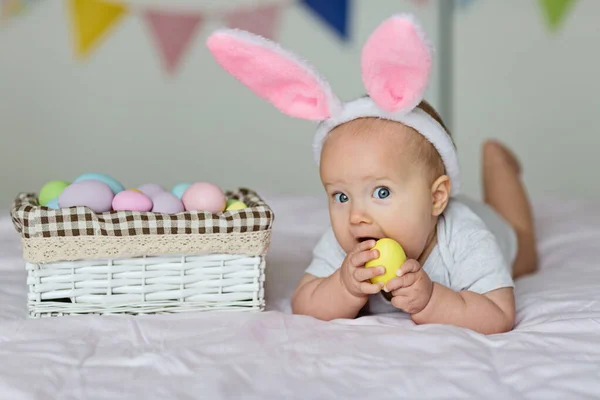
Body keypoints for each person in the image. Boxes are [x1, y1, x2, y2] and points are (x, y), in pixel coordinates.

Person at [206, 13, 538, 335]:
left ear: (436, 197)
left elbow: (498, 314)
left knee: (522, 246)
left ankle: (497, 162)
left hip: (500, 233)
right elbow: (304, 303)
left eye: (381, 192)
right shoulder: (348, 245)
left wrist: (432, 300)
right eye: (341, 196)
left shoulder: (467, 237)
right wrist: (343, 288)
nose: (356, 215)